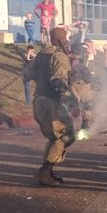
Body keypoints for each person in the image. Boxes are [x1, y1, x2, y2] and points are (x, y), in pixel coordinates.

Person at [22, 27, 78, 186]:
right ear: (60, 40)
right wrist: (72, 101)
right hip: (50, 103)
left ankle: (48, 171)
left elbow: (26, 75)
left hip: (39, 102)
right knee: (66, 135)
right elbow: (59, 81)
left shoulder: (40, 56)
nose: (68, 42)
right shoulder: (59, 56)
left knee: (55, 137)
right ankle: (45, 171)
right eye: (66, 39)